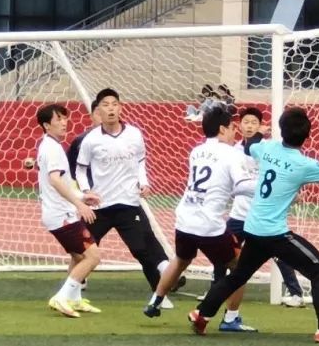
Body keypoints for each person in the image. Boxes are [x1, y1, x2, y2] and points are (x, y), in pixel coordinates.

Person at [188, 107, 319, 344]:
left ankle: (202, 314)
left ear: (281, 130)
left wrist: (260, 133)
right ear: (307, 136)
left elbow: (249, 144)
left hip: (253, 228)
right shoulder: (304, 164)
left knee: (238, 276)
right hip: (274, 233)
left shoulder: (267, 148)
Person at [143, 104, 258, 332]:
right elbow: (242, 185)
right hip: (209, 225)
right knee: (241, 267)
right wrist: (271, 190)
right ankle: (230, 318)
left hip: (185, 218)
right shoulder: (231, 154)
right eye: (232, 128)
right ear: (223, 129)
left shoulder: (196, 151)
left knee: (181, 260)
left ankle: (155, 301)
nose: (235, 133)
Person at [75, 88, 172, 303]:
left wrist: (144, 183)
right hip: (100, 206)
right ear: (98, 111)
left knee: (141, 250)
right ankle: (72, 290)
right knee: (80, 248)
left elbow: (140, 162)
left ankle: (160, 296)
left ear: (120, 107)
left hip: (128, 203)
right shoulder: (91, 140)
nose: (110, 109)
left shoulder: (134, 134)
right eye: (105, 105)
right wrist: (86, 191)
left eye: (114, 104)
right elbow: (80, 170)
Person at [223, 107, 307, 308]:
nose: (249, 126)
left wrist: (292, 193)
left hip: (263, 216)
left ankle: (295, 293)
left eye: (254, 122)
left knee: (280, 254)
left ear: (261, 126)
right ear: (239, 126)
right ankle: (216, 288)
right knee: (223, 251)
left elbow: (284, 173)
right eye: (246, 122)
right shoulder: (233, 151)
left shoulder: (269, 149)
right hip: (239, 214)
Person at [35, 104, 103, 318]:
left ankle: (74, 299)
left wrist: (82, 197)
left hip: (59, 213)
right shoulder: (52, 149)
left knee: (79, 256)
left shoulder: (50, 145)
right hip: (62, 215)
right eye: (58, 119)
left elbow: (61, 181)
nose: (64, 123)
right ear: (46, 125)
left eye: (65, 118)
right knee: (93, 257)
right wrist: (79, 204)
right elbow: (55, 180)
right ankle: (62, 297)